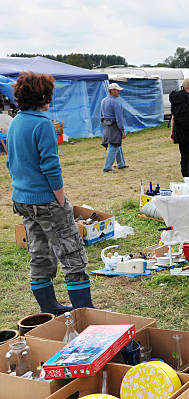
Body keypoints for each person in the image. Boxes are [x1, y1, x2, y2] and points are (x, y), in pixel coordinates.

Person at [7, 72, 94, 314]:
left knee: (39, 251)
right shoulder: (42, 123)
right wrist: (60, 198)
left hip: (22, 199)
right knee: (71, 253)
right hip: (46, 200)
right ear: (43, 96)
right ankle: (85, 312)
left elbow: (11, 162)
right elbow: (51, 166)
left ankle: (50, 308)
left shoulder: (15, 122)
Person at [101, 82, 128, 172]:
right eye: (117, 90)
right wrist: (122, 130)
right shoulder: (116, 102)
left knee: (116, 144)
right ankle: (107, 166)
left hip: (105, 125)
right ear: (111, 91)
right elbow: (119, 118)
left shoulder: (103, 101)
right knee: (115, 144)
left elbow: (101, 114)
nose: (118, 92)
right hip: (114, 125)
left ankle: (121, 163)